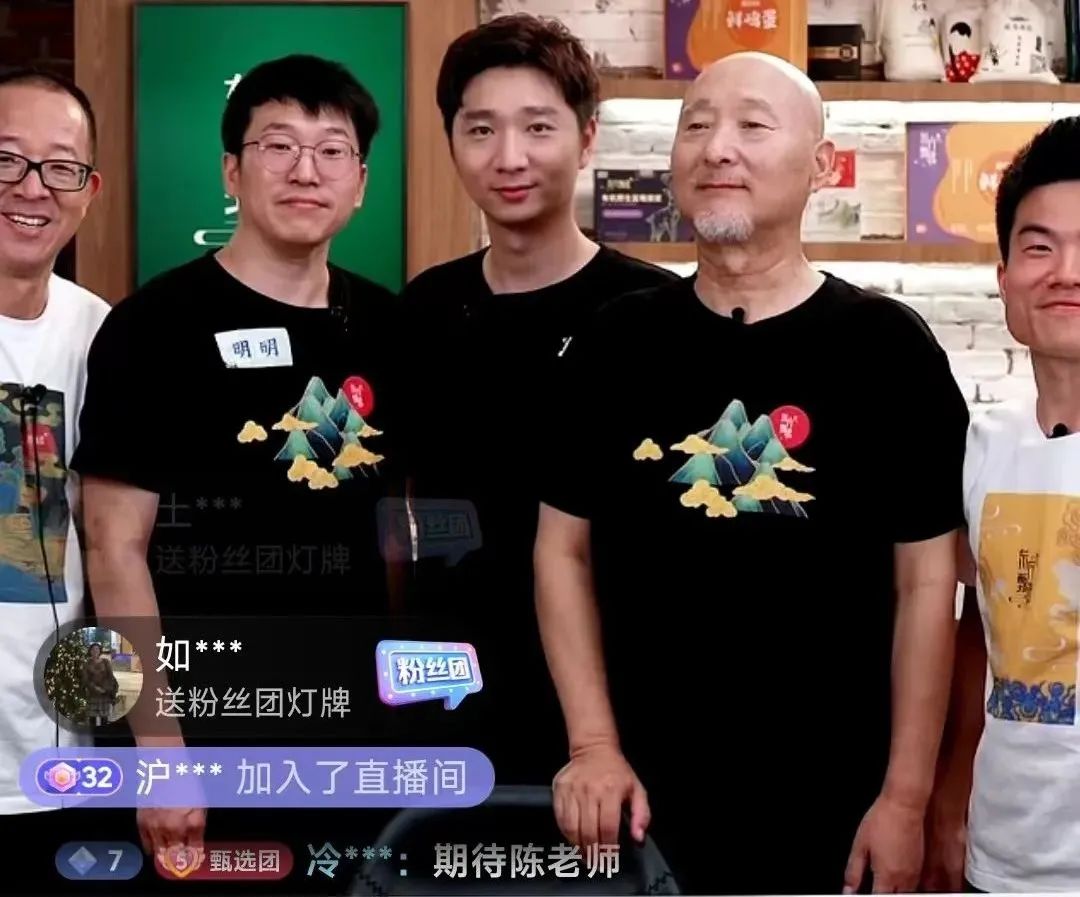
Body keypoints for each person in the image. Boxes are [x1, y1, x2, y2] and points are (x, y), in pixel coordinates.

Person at [534, 52, 969, 895]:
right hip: (640, 802)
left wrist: (907, 797)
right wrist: (592, 745)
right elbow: (562, 550)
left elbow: (927, 583)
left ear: (822, 165)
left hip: (838, 803)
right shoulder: (615, 341)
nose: (717, 147)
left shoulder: (887, 348)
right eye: (695, 124)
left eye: (752, 125)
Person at [71, 54, 401, 892]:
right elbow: (113, 546)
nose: (305, 170)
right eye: (277, 145)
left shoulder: (389, 326)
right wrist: (159, 748)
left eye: (332, 150)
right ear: (231, 171)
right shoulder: (153, 326)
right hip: (200, 727)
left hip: (347, 726)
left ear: (361, 182)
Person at [397, 13, 678, 788]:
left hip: (617, 706)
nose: (509, 157)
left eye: (538, 127)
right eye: (481, 129)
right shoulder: (425, 310)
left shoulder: (655, 315)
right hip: (448, 691)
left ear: (587, 139)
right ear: (451, 141)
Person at [924, 116, 1080, 894]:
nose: (1066, 273)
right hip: (1005, 859)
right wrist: (947, 803)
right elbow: (978, 632)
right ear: (1005, 276)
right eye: (1040, 247)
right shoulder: (981, 444)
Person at [0, 66, 111, 888]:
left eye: (60, 167)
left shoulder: (101, 331)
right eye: (6, 159)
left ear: (89, 190)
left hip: (63, 763)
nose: (32, 187)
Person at [82, 641, 119, 726]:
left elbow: (110, 676)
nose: (95, 651)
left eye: (97, 649)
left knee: (104, 718)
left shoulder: (106, 662)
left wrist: (106, 689)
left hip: (104, 694)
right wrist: (95, 688)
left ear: (100, 651)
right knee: (92, 718)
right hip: (92, 694)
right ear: (90, 651)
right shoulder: (87, 663)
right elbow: (85, 679)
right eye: (93, 649)